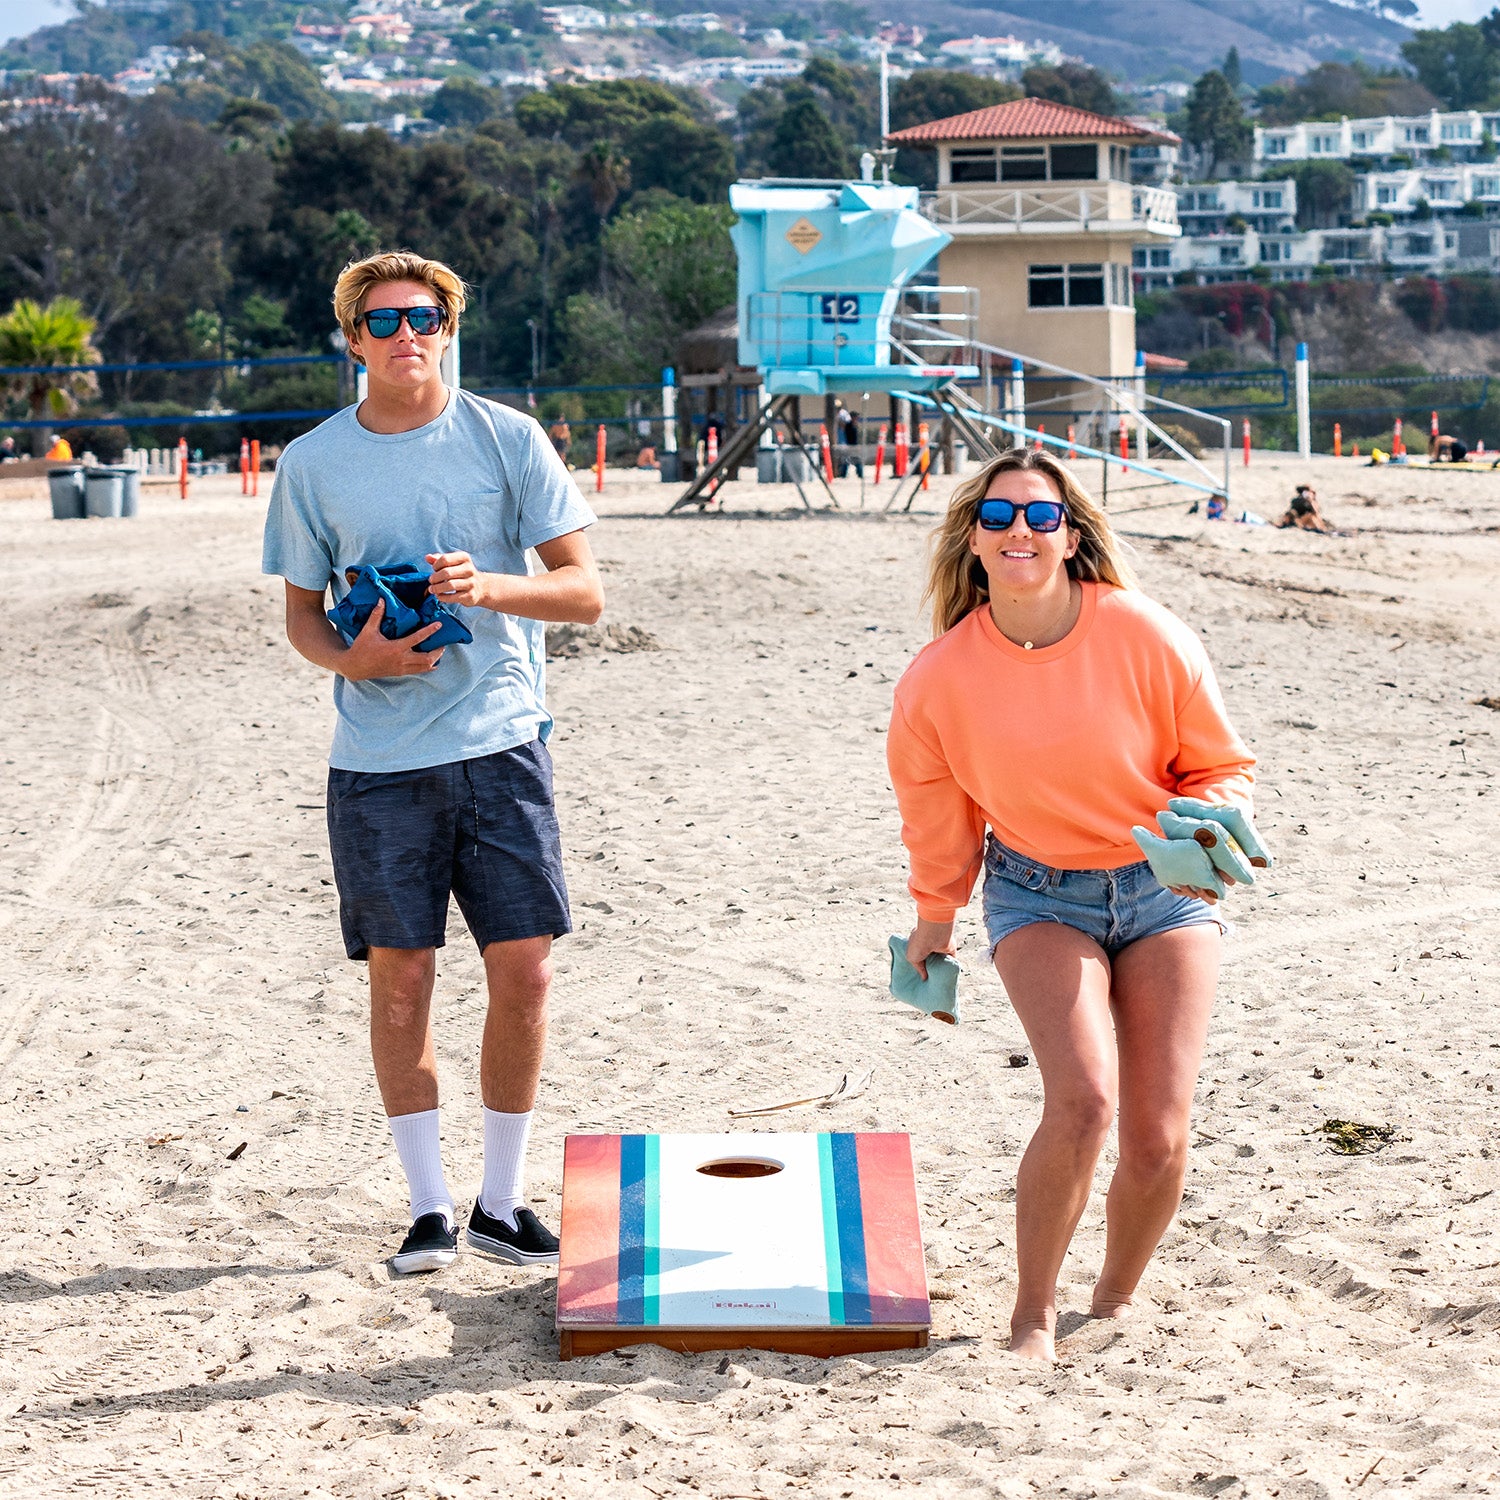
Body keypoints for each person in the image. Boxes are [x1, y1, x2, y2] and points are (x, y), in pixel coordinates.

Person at [262, 250, 604, 1278]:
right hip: (377, 763)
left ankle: (501, 1203)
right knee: (402, 982)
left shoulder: (508, 437)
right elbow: (302, 618)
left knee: (527, 972)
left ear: (449, 329)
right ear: (352, 339)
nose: (405, 334)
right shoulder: (314, 463)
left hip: (502, 743)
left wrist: (488, 587)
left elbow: (585, 592)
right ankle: (428, 1209)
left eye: (423, 317)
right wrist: (353, 657)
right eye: (382, 320)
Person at [887, 448, 1260, 1362]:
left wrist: (1206, 830)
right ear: (974, 540)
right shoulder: (937, 678)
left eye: (1041, 515)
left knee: (1158, 1132)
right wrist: (932, 927)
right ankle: (1033, 1315)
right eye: (999, 516)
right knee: (1085, 1100)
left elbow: (1221, 765)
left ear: (1071, 535)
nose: (1020, 530)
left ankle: (1116, 1296)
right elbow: (938, 819)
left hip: (1165, 891)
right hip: (1038, 891)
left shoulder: (1146, 633)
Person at [834, 402, 863, 479]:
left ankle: (859, 473)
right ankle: (844, 474)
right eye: (856, 417)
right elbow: (843, 427)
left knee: (855, 460)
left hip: (854, 444)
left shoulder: (853, 424)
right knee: (847, 460)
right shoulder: (849, 425)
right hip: (849, 444)